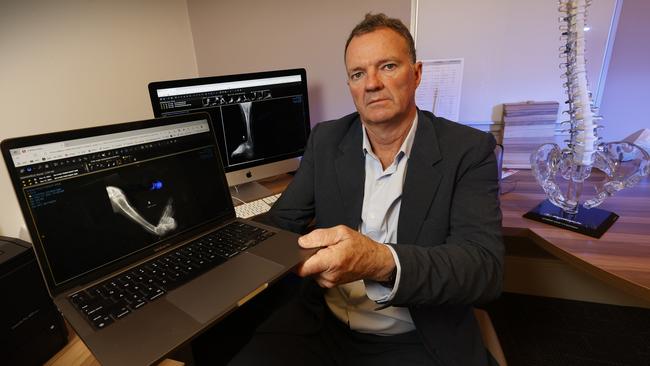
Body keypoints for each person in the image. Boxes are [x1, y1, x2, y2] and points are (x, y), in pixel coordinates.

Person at [229, 13, 503, 366]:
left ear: (416, 74)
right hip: (322, 325)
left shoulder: (467, 150)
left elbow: (484, 269)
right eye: (358, 74)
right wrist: (218, 236)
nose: (371, 83)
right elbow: (281, 222)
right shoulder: (327, 140)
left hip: (414, 336)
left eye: (387, 66)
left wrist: (378, 260)